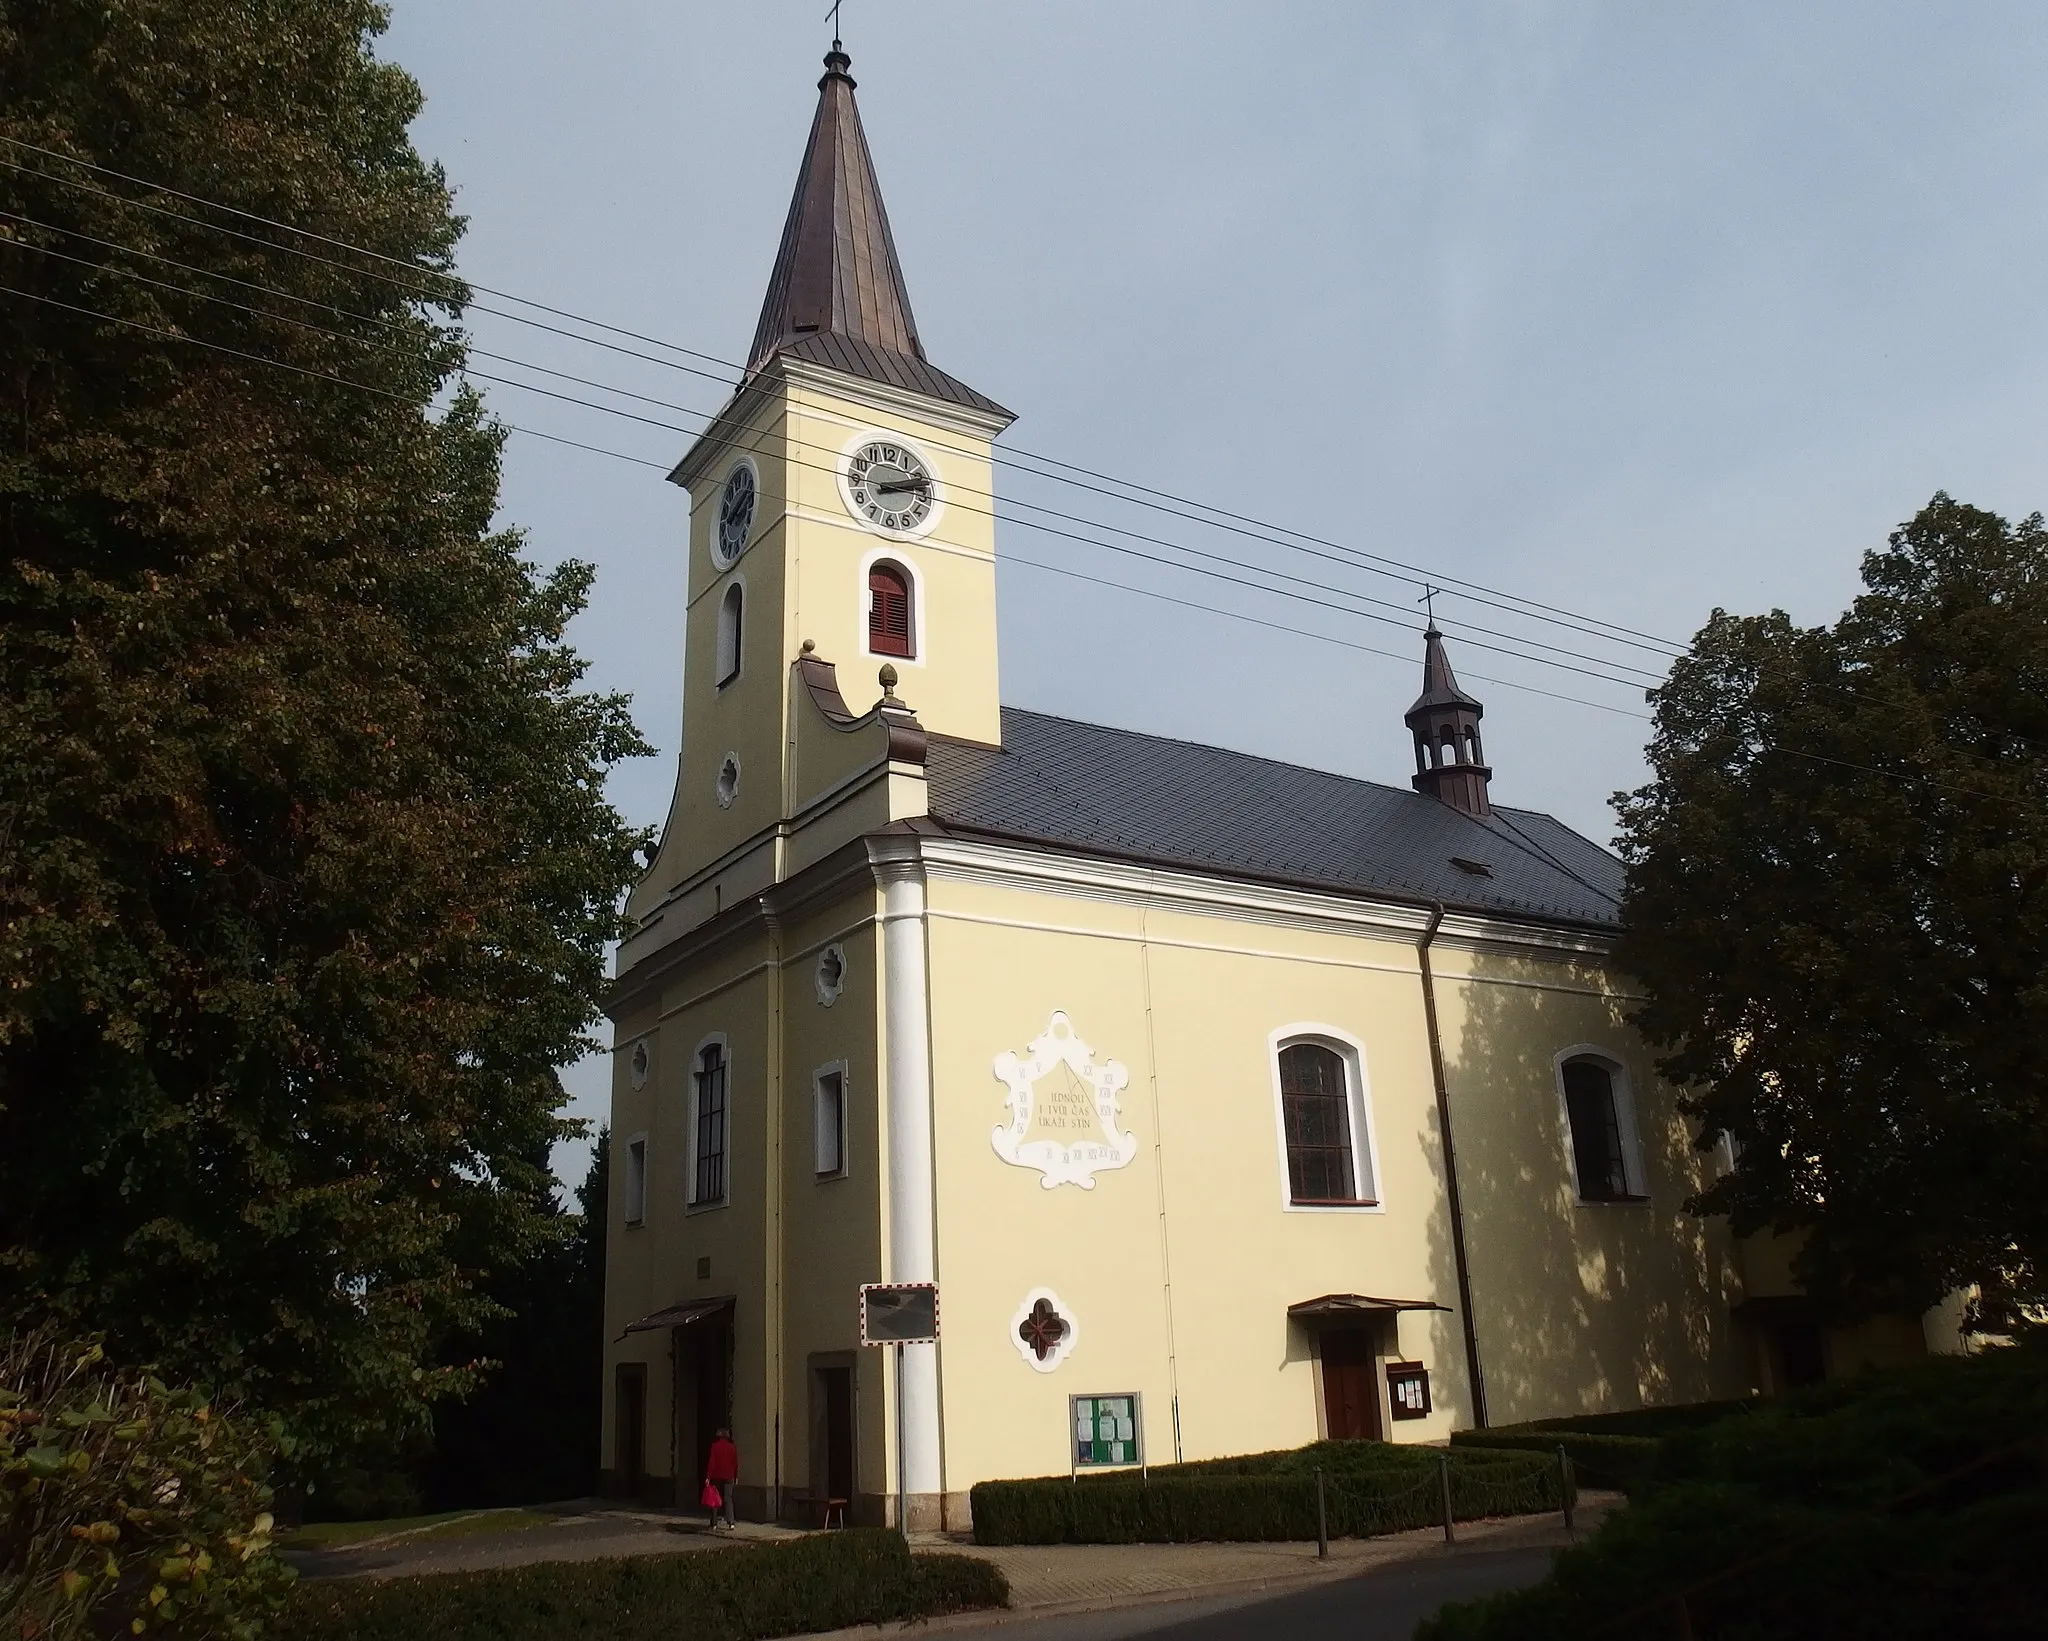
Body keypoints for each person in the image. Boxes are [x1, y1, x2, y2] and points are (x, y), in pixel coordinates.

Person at [705, 1426, 739, 1530]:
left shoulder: (714, 1446)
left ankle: (714, 1523)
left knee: (715, 1499)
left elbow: (712, 1462)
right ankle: (731, 1522)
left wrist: (708, 1477)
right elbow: (735, 1463)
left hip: (716, 1476)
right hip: (729, 1476)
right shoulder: (732, 1447)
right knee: (728, 1498)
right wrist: (736, 1476)